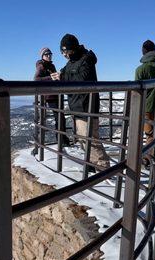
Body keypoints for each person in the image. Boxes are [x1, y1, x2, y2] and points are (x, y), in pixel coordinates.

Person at [51, 33, 110, 169]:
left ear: (72, 48)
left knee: (91, 140)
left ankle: (104, 168)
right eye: (62, 52)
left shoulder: (86, 59)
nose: (64, 55)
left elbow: (82, 80)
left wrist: (63, 77)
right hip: (77, 106)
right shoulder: (72, 61)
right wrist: (60, 75)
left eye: (65, 51)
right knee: (82, 139)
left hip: (86, 106)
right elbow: (66, 72)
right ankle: (91, 164)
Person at [33, 47, 70, 151]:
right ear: (42, 56)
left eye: (50, 54)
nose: (49, 55)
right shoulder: (41, 65)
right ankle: (61, 140)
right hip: (50, 96)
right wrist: (51, 77)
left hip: (56, 94)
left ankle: (63, 139)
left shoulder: (51, 65)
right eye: (46, 54)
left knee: (60, 117)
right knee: (59, 117)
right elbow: (36, 79)